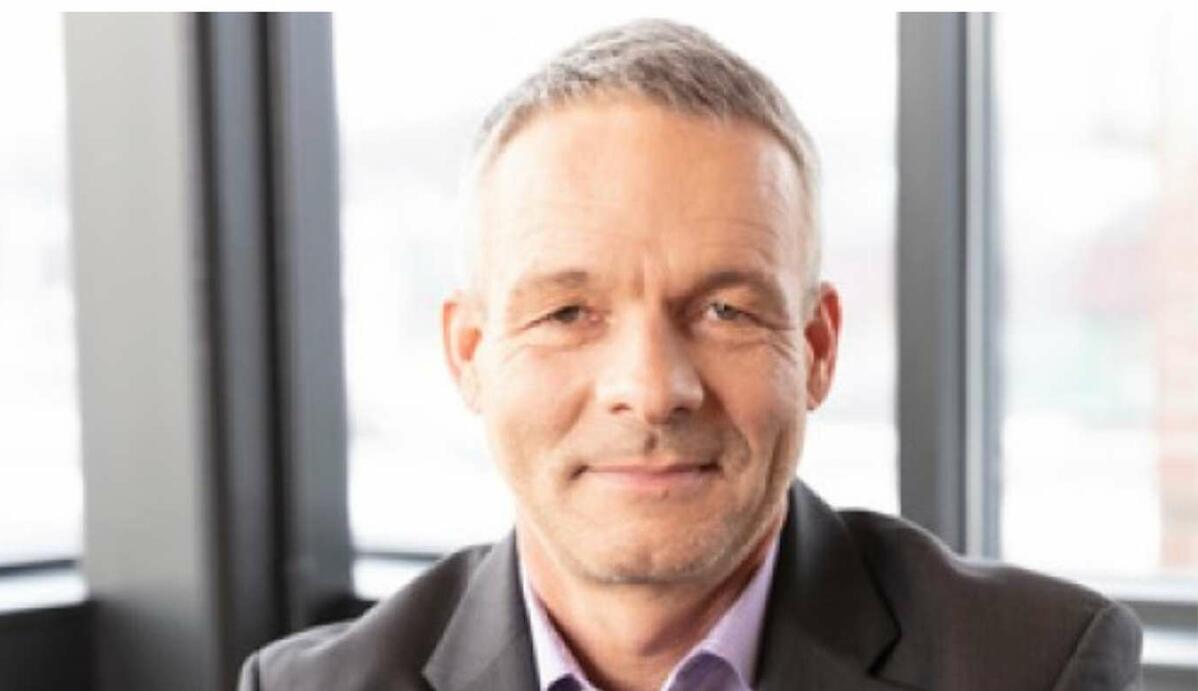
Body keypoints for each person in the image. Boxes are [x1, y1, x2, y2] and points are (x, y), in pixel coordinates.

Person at [239, 19, 1142, 691]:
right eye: (568, 311)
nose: (651, 388)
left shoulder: (1034, 666)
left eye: (723, 309)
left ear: (817, 347)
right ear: (470, 354)